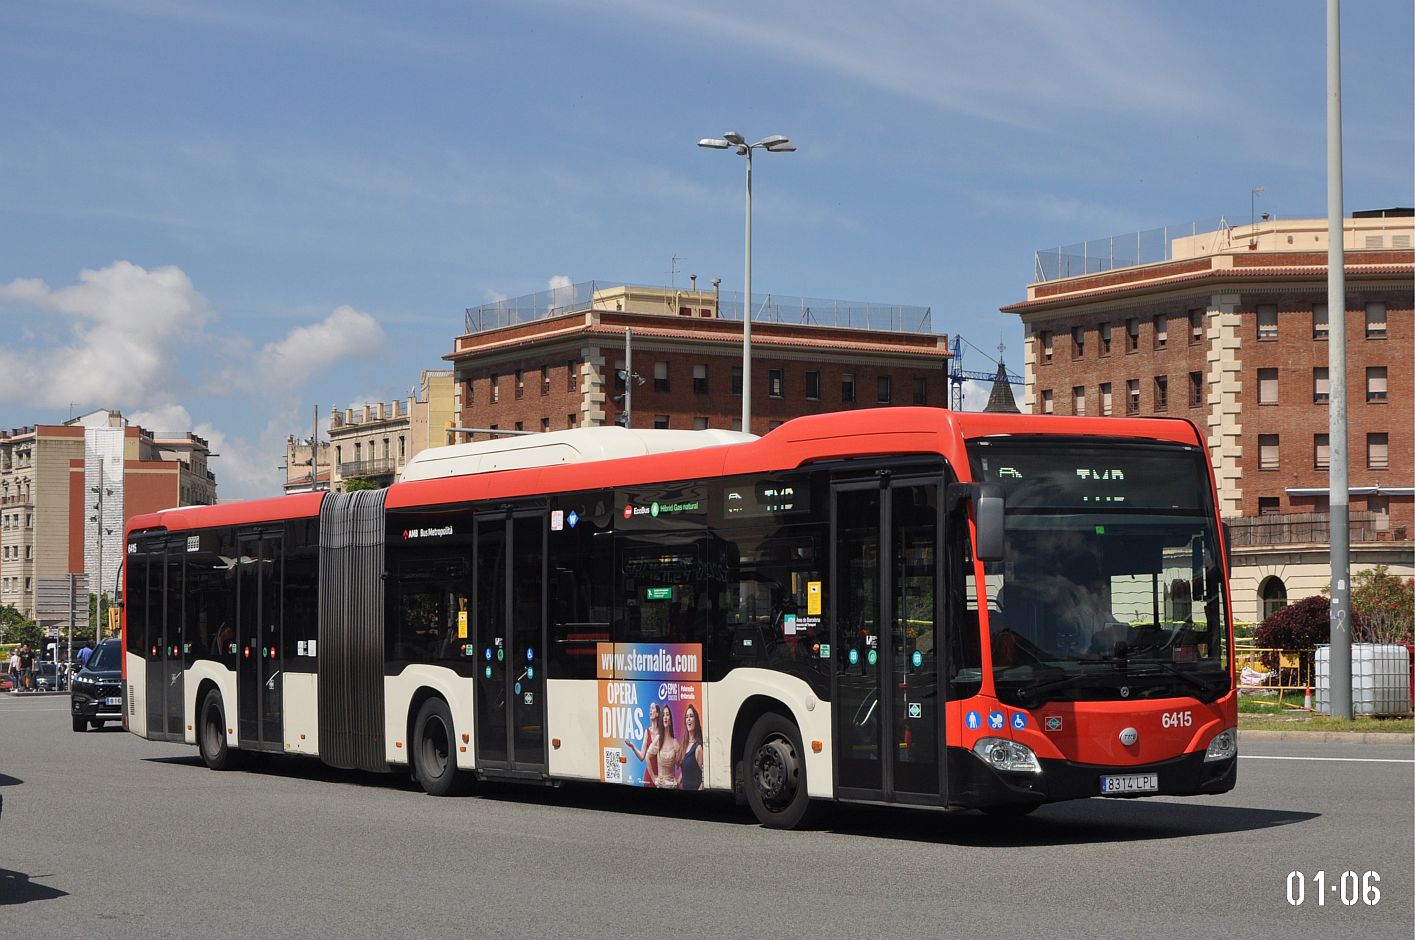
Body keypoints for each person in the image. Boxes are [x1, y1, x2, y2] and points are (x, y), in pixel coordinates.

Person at [624, 701, 660, 786]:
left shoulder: (662, 732)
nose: (650, 710)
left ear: (658, 713)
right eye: (649, 709)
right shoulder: (647, 732)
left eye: (652, 708)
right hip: (648, 776)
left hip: (660, 775)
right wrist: (632, 747)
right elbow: (641, 757)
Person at [653, 703, 682, 790]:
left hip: (672, 787)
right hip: (659, 787)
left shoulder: (675, 743)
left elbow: (684, 766)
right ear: (661, 719)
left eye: (667, 714)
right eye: (663, 715)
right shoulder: (658, 739)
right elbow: (647, 756)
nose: (665, 717)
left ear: (670, 720)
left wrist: (678, 782)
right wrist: (655, 779)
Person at [678, 704, 704, 791]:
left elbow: (704, 777)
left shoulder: (698, 748)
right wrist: (677, 783)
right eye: (686, 717)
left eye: (691, 716)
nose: (688, 719)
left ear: (695, 720)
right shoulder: (683, 745)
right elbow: (685, 771)